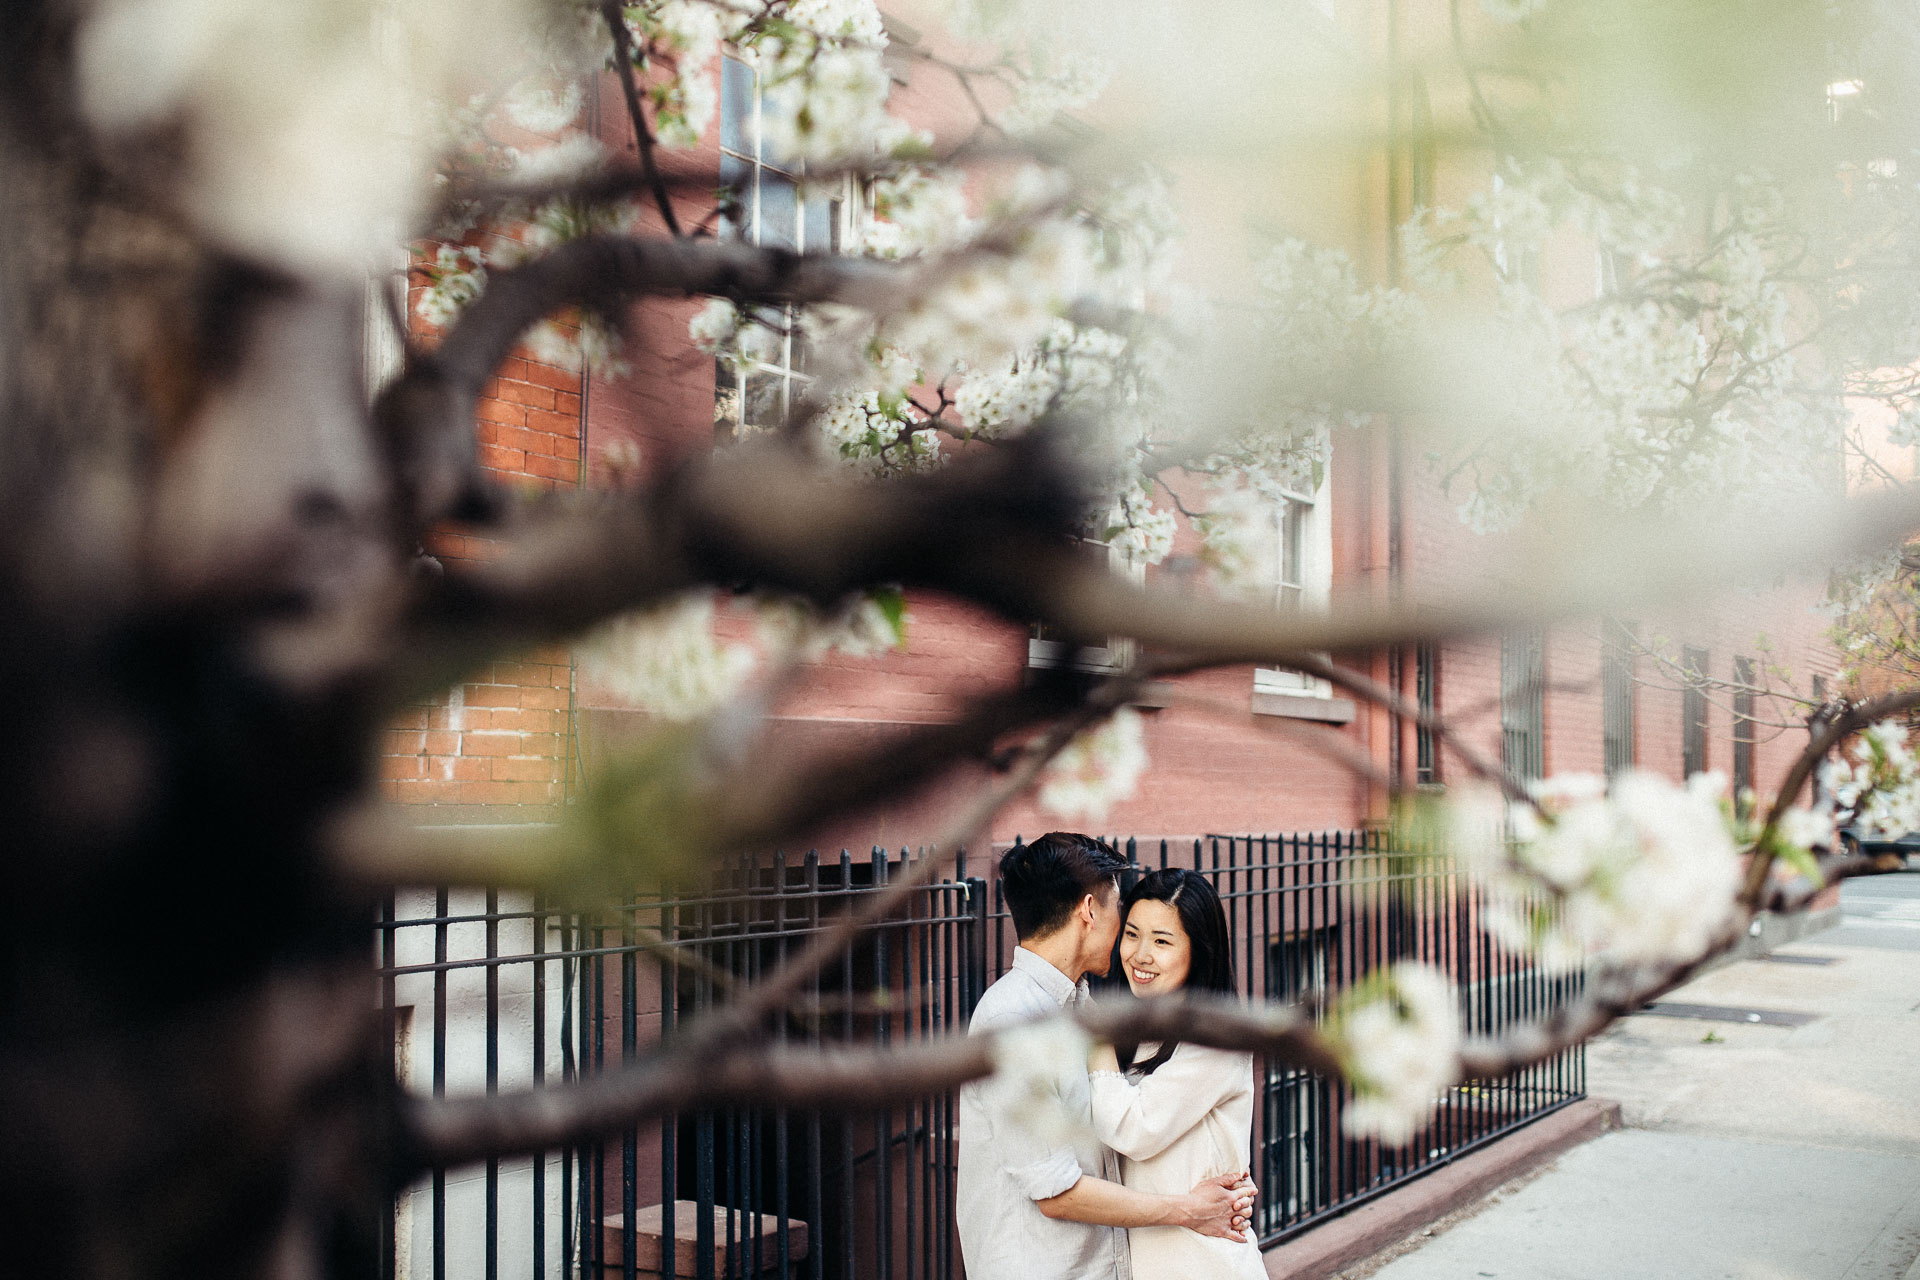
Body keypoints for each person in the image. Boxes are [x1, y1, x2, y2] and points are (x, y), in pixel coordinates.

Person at [956, 833, 1254, 1280]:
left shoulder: (1084, 1008)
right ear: (1090, 910)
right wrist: (1189, 1208)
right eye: (1126, 921)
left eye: (1162, 940)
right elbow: (1057, 1193)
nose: (1132, 946)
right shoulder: (1014, 1020)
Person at [1087, 868, 1268, 1280]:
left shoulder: (1217, 1040)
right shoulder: (1133, 1033)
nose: (1140, 954)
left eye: (1162, 941)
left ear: (1198, 952)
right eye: (1131, 934)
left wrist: (1093, 1036)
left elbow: (1133, 1129)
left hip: (1206, 1266)